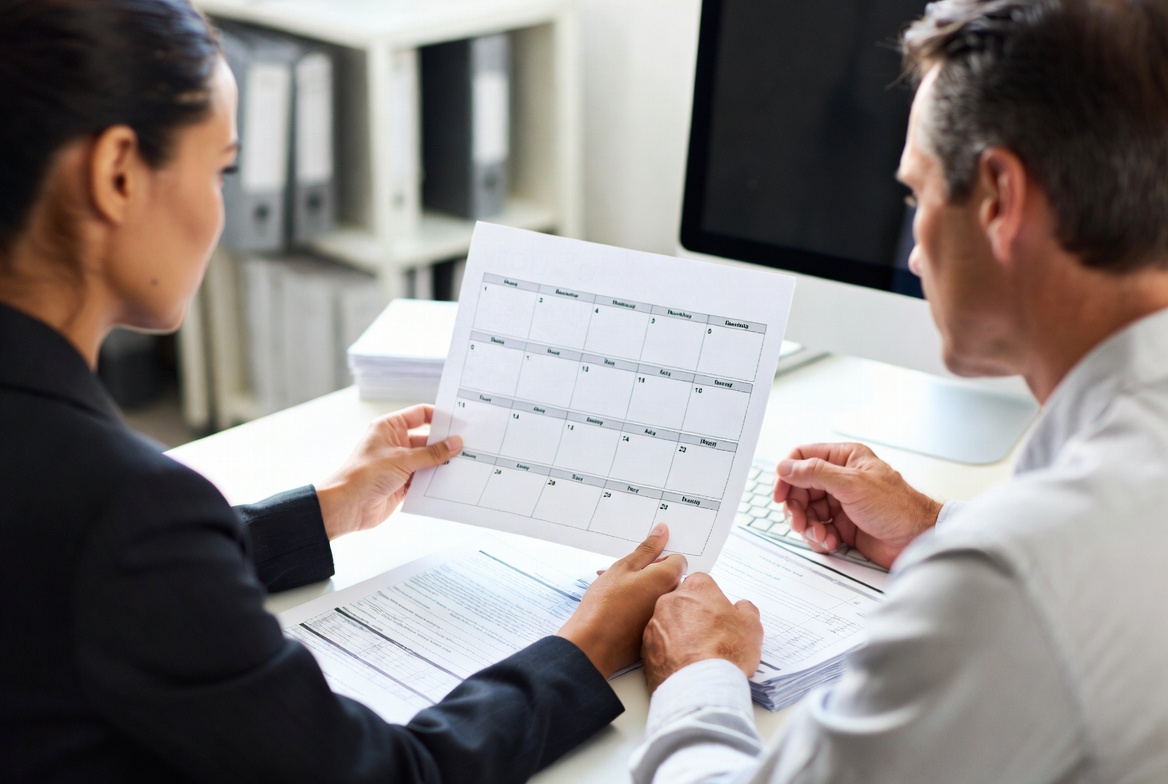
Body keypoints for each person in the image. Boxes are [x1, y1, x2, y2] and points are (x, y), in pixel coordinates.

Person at [0, 1, 687, 781]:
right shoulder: (121, 507)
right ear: (117, 174)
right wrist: (587, 647)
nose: (223, 211)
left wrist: (322, 511)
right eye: (220, 169)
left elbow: (78, 577)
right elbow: (388, 775)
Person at [630, 0, 1168, 781]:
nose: (913, 255)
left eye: (916, 198)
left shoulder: (1008, 583)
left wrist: (697, 676)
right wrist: (929, 527)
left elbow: (1037, 579)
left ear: (998, 200)